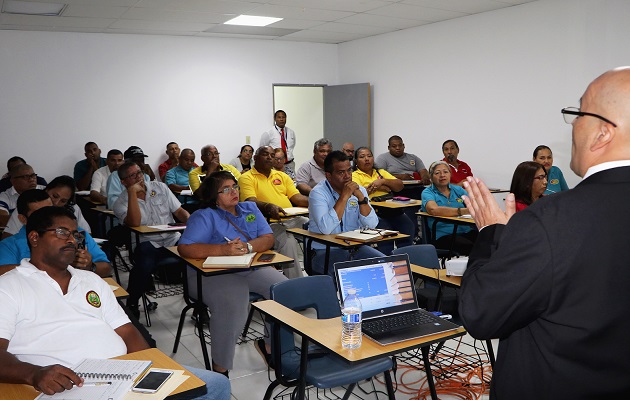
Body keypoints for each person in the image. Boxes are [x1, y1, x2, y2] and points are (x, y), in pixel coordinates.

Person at [458, 67, 630, 399]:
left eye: (579, 114)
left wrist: (491, 235)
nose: (573, 126)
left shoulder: (549, 222)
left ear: (603, 133)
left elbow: (480, 313)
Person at [0, 206, 230, 400]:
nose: (72, 240)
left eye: (75, 235)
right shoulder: (9, 286)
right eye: (61, 232)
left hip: (122, 374)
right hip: (66, 385)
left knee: (216, 384)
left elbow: (127, 331)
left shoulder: (90, 280)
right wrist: (35, 374)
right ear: (34, 237)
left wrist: (152, 370)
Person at [178, 171, 287, 376]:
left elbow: (268, 238)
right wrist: (222, 250)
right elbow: (185, 249)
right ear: (214, 196)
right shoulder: (205, 215)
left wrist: (247, 247)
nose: (233, 192)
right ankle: (220, 368)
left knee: (283, 290)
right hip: (208, 273)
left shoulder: (250, 208)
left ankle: (269, 346)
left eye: (234, 187)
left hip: (247, 266)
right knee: (233, 303)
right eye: (225, 189)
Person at [113, 161, 190, 316]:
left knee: (194, 253)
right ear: (123, 182)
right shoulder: (120, 203)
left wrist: (194, 225)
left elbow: (180, 211)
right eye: (132, 175)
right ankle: (133, 301)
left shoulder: (160, 187)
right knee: (145, 260)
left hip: (171, 239)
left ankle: (197, 303)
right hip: (146, 244)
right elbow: (134, 222)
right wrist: (132, 194)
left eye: (139, 172)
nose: (139, 177)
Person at [0, 189, 111, 277]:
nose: (49, 217)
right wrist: (50, 267)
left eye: (50, 210)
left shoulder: (77, 234)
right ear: (23, 219)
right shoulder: (9, 245)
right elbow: (3, 273)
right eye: (40, 214)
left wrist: (90, 266)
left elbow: (106, 268)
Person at [308, 151, 385, 276]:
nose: (347, 176)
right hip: (325, 250)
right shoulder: (318, 193)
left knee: (384, 265)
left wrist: (361, 199)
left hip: (355, 247)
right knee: (350, 274)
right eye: (340, 172)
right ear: (328, 175)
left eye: (349, 170)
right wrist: (344, 197)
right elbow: (325, 228)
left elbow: (372, 224)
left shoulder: (360, 190)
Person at [238, 146, 308, 278]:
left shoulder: (282, 176)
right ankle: (297, 283)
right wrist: (268, 207)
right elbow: (250, 202)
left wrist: (315, 201)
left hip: (292, 219)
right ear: (255, 158)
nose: (270, 157)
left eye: (272, 155)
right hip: (268, 223)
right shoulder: (247, 177)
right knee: (288, 240)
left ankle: (322, 269)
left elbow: (296, 197)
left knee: (314, 227)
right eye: (265, 154)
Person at [352, 147, 414, 253]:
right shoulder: (355, 175)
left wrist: (383, 181)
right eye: (362, 157)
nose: (367, 159)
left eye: (369, 156)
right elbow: (359, 194)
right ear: (356, 161)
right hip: (373, 212)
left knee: (408, 226)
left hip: (391, 210)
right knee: (385, 232)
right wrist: (381, 187)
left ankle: (404, 258)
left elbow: (399, 185)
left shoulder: (380, 172)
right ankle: (386, 259)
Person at [421, 161, 477, 255]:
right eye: (437, 173)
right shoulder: (428, 192)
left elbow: (474, 205)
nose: (442, 175)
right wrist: (462, 211)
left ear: (450, 174)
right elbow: (434, 210)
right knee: (471, 247)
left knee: (490, 241)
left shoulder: (458, 190)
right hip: (444, 235)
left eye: (445, 172)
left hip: (466, 230)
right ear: (431, 177)